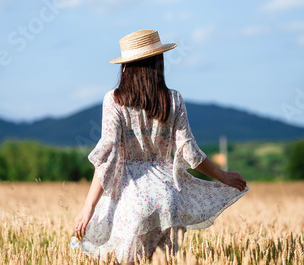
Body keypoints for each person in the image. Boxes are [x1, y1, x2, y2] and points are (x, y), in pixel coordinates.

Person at [70, 29, 248, 264]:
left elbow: (108, 157)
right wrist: (222, 175)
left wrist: (88, 207)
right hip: (168, 194)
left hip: (130, 195)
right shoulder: (173, 100)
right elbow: (189, 151)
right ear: (158, 62)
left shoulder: (114, 101)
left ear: (126, 67)